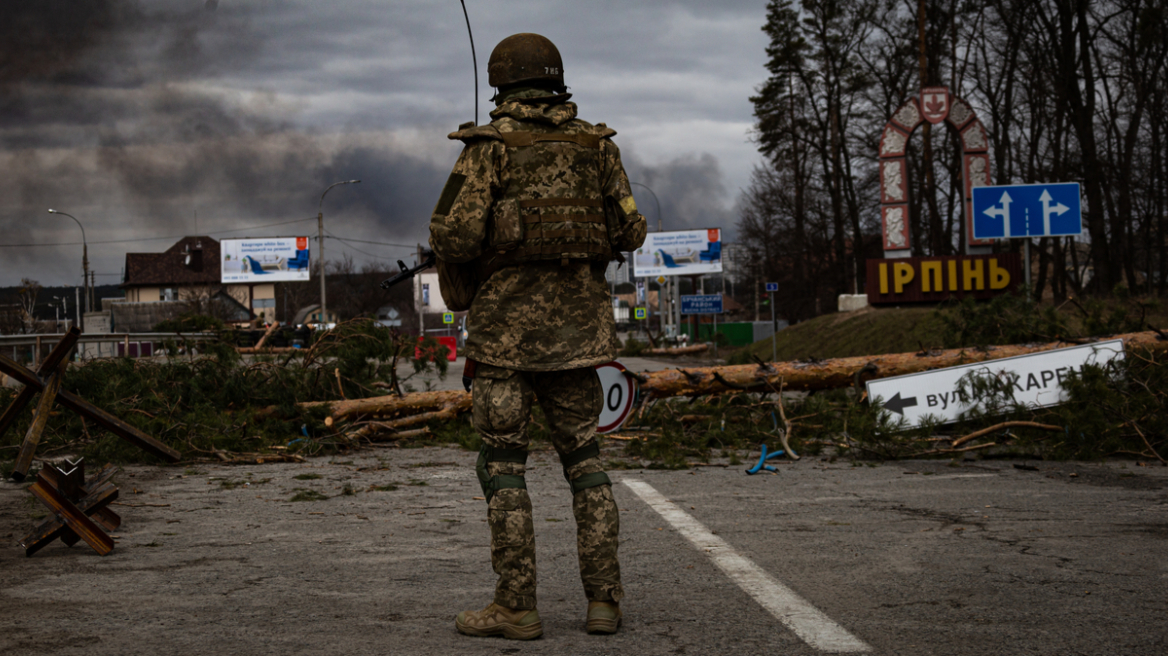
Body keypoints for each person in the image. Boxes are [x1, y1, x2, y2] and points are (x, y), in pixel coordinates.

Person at [428, 32, 647, 640]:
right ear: (556, 80)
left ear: (502, 83)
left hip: (503, 342)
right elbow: (630, 230)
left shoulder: (488, 149)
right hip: (580, 338)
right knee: (586, 464)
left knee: (503, 467)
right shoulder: (598, 148)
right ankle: (604, 601)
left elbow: (452, 236)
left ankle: (516, 606)